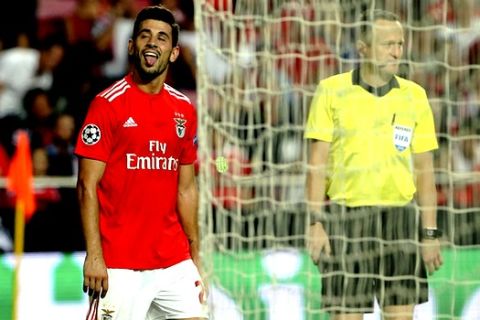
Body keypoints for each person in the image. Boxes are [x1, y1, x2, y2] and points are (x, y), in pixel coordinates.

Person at [304, 9, 443, 320]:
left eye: (400, 43)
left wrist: (430, 234)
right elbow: (316, 165)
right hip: (346, 220)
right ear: (362, 47)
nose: (396, 51)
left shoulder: (415, 96)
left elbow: (425, 172)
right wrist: (315, 222)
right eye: (387, 43)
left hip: (400, 220)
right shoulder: (331, 90)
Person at [74, 5, 208, 320]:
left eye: (162, 38)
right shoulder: (107, 105)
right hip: (119, 265)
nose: (152, 42)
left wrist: (195, 253)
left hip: (174, 262)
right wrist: (95, 255)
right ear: (132, 45)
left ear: (174, 53)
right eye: (145, 35)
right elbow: (86, 185)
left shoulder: (184, 109)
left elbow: (186, 189)